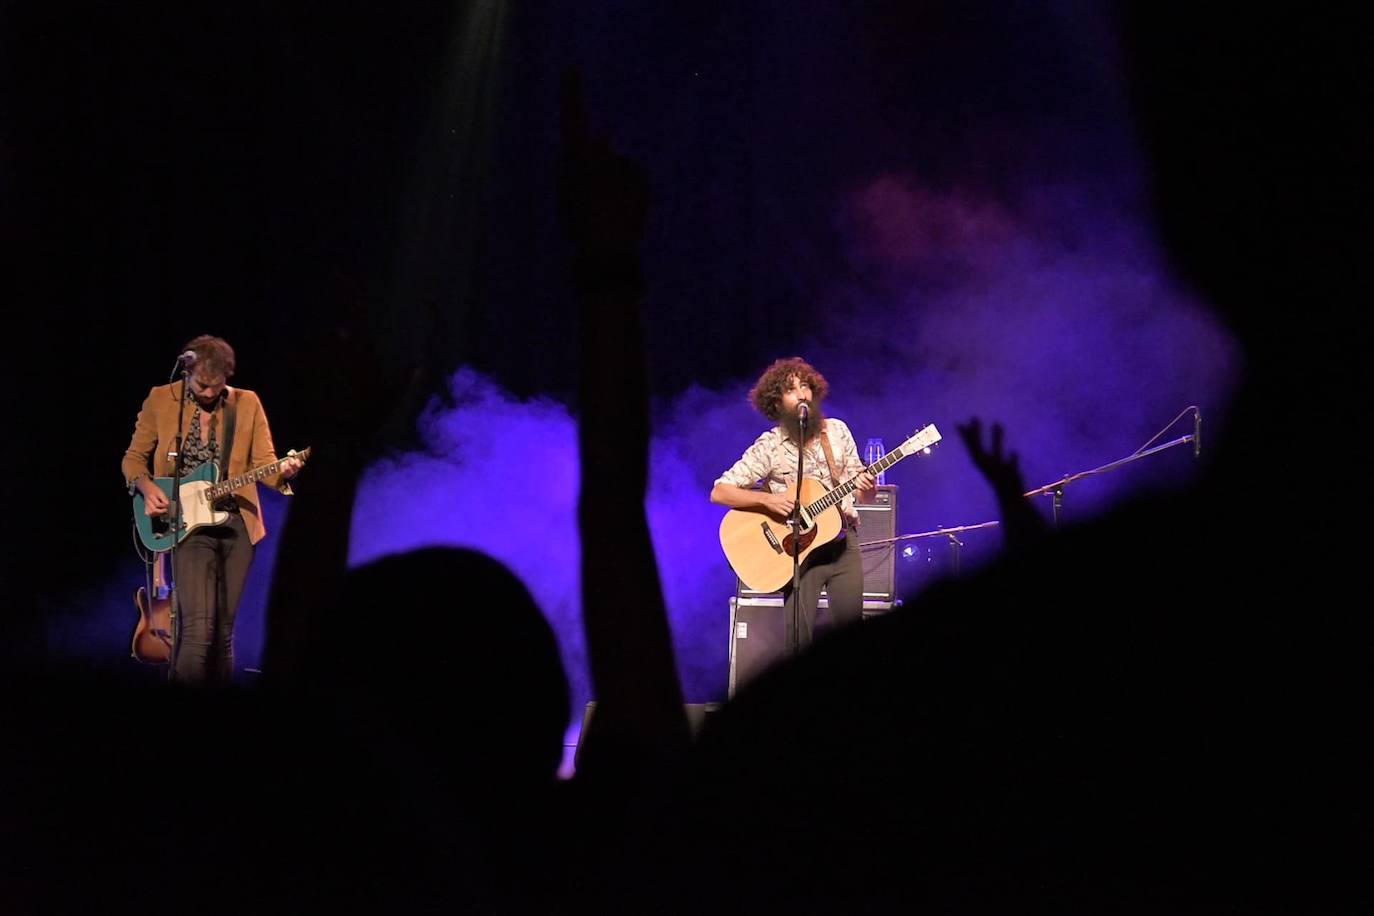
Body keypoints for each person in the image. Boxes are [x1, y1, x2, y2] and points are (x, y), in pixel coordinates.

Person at [122, 334, 302, 684]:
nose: (208, 393)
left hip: (238, 525)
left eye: (216, 386)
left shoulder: (247, 403)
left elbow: (265, 464)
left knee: (223, 632)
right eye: (202, 385)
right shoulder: (163, 399)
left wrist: (284, 471)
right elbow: (133, 459)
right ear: (187, 373)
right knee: (197, 630)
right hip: (187, 524)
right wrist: (146, 489)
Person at [711, 357, 875, 648]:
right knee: (799, 642)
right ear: (777, 403)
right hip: (799, 553)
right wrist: (768, 500)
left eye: (805, 386)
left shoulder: (836, 431)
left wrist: (868, 487)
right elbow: (721, 491)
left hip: (843, 545)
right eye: (791, 389)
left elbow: (864, 495)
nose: (802, 394)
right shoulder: (770, 445)